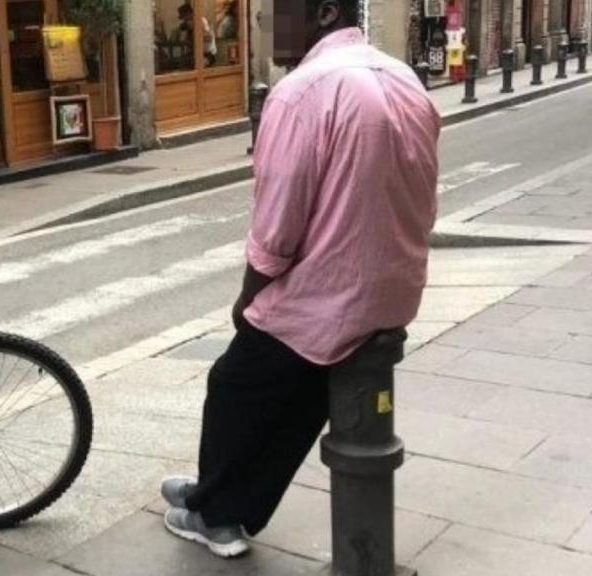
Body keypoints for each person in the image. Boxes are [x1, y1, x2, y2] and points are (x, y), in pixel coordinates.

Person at [159, 0, 440, 558]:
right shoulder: (405, 77)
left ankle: (216, 516)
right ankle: (216, 495)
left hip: (330, 299)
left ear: (324, 13)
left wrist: (248, 297)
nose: (264, 29)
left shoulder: (303, 91)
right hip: (394, 290)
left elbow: (278, 227)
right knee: (298, 394)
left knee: (234, 384)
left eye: (274, 17)